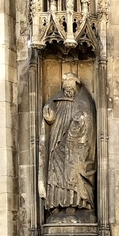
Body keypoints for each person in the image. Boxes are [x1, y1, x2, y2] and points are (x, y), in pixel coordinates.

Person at [39, 72, 96, 213]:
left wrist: (79, 120)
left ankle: (77, 202)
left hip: (76, 141)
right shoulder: (58, 98)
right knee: (55, 170)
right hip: (57, 139)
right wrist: (49, 113)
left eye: (70, 84)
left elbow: (88, 117)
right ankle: (56, 203)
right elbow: (50, 110)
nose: (67, 88)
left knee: (73, 169)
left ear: (76, 83)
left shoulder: (84, 100)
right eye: (65, 85)